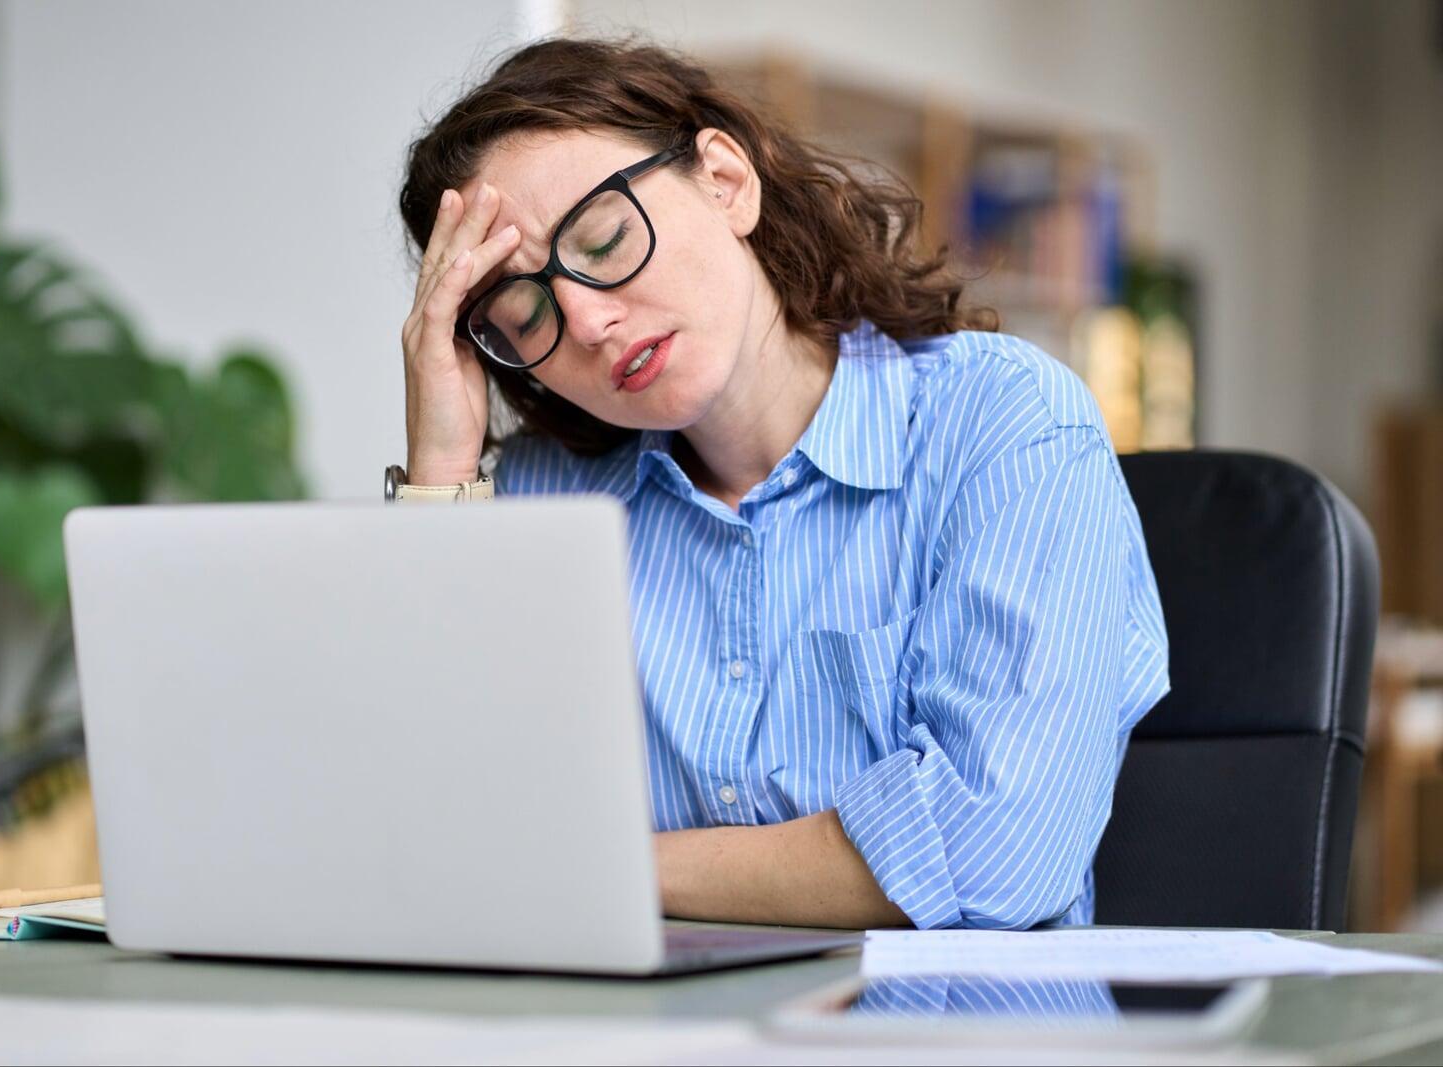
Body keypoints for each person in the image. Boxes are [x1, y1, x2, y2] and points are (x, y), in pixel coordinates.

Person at [393, 37, 1169, 930]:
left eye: (603, 241)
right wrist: (443, 464)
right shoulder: (536, 506)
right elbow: (432, 840)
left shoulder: (1007, 426)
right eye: (523, 312)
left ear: (725, 181)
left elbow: (997, 854)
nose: (589, 320)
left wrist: (600, 865)